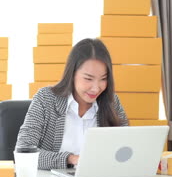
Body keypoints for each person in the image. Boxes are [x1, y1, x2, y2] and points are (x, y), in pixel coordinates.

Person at [16, 38, 128, 170]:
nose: (96, 88)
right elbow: (24, 152)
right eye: (88, 79)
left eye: (103, 79)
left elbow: (126, 150)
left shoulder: (112, 102)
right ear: (72, 73)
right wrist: (71, 159)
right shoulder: (46, 99)